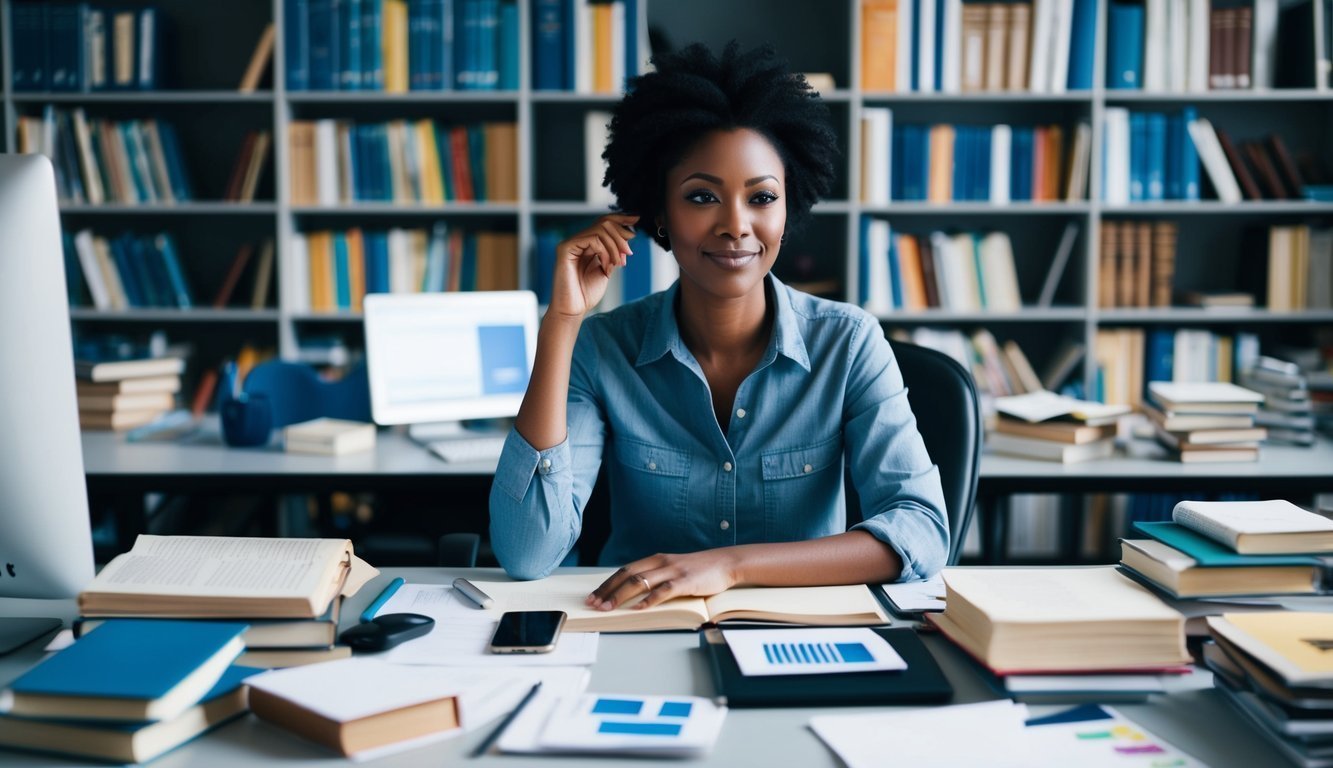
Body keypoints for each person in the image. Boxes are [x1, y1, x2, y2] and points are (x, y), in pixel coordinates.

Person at [489, 41, 948, 611]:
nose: (736, 225)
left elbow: (922, 530)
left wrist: (730, 566)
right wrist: (562, 324)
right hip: (639, 630)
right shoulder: (604, 349)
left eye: (762, 197)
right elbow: (527, 553)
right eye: (702, 196)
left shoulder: (849, 343)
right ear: (659, 212)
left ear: (788, 209)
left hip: (797, 629)